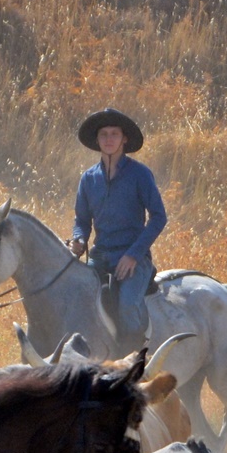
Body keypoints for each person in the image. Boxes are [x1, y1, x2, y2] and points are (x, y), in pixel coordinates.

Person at [68, 107, 167, 354]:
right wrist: (78, 239)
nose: (109, 139)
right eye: (104, 134)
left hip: (133, 258)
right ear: (97, 140)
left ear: (124, 139)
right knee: (76, 299)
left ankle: (132, 362)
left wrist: (134, 254)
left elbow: (158, 217)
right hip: (100, 257)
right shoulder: (88, 179)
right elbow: (82, 220)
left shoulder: (140, 174)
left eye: (114, 134)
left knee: (127, 305)